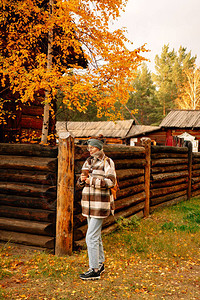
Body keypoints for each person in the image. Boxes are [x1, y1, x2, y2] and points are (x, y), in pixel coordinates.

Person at [77, 135, 117, 280]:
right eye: (89, 148)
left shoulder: (108, 162)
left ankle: (94, 270)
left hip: (100, 205)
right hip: (88, 204)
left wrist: (91, 180)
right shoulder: (88, 162)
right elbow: (81, 182)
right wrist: (81, 181)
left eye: (92, 147)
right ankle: (100, 264)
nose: (90, 150)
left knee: (91, 237)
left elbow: (111, 182)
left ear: (99, 148)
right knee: (96, 236)